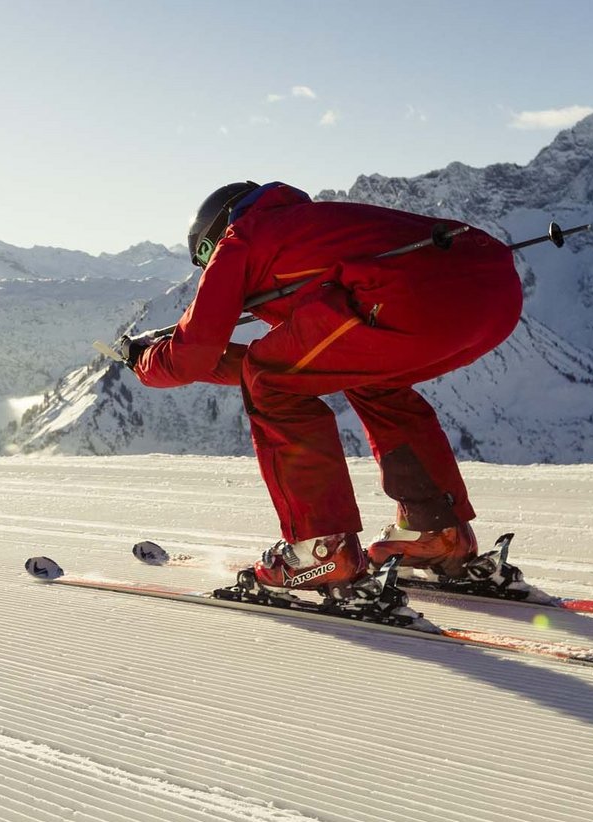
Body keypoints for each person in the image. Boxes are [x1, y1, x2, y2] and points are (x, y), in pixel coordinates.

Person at [123, 181, 526, 612]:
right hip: (495, 297)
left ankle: (321, 550)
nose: (208, 267)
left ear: (220, 226)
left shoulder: (243, 237)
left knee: (269, 379)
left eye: (205, 255)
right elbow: (294, 361)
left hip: (399, 298)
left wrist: (145, 361)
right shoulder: (313, 226)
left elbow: (192, 356)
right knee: (369, 380)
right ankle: (435, 531)